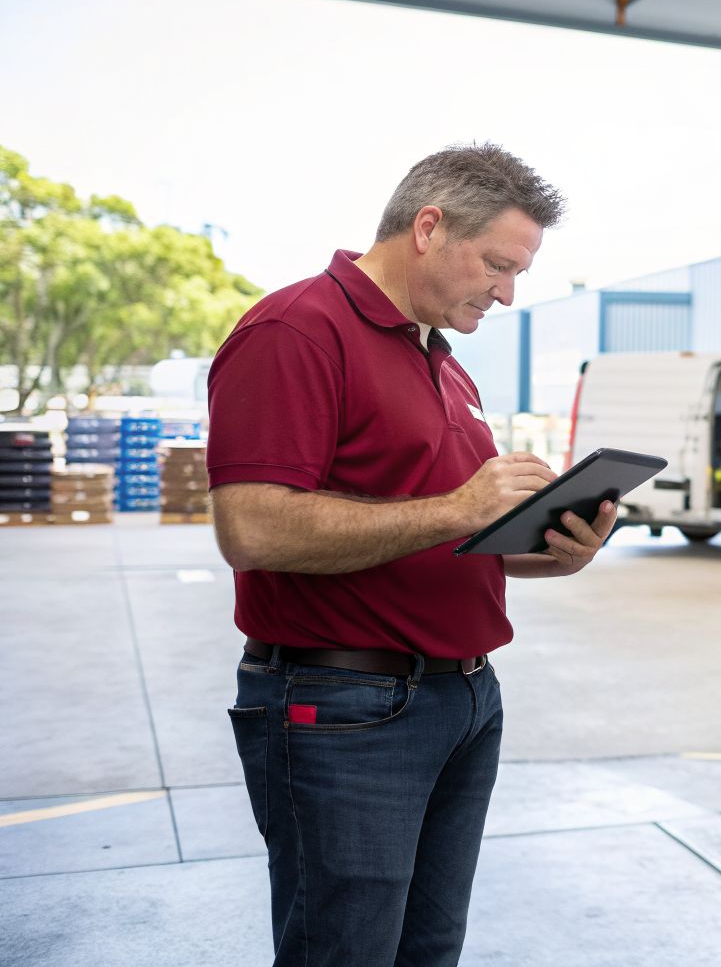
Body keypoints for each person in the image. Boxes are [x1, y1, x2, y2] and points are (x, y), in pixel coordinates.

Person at [206, 143, 613, 966]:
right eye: (498, 265)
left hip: (462, 700)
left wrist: (549, 549)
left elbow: (446, 532)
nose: (507, 292)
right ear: (428, 227)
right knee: (345, 949)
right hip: (347, 705)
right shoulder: (297, 330)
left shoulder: (443, 363)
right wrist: (462, 505)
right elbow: (249, 527)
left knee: (428, 947)